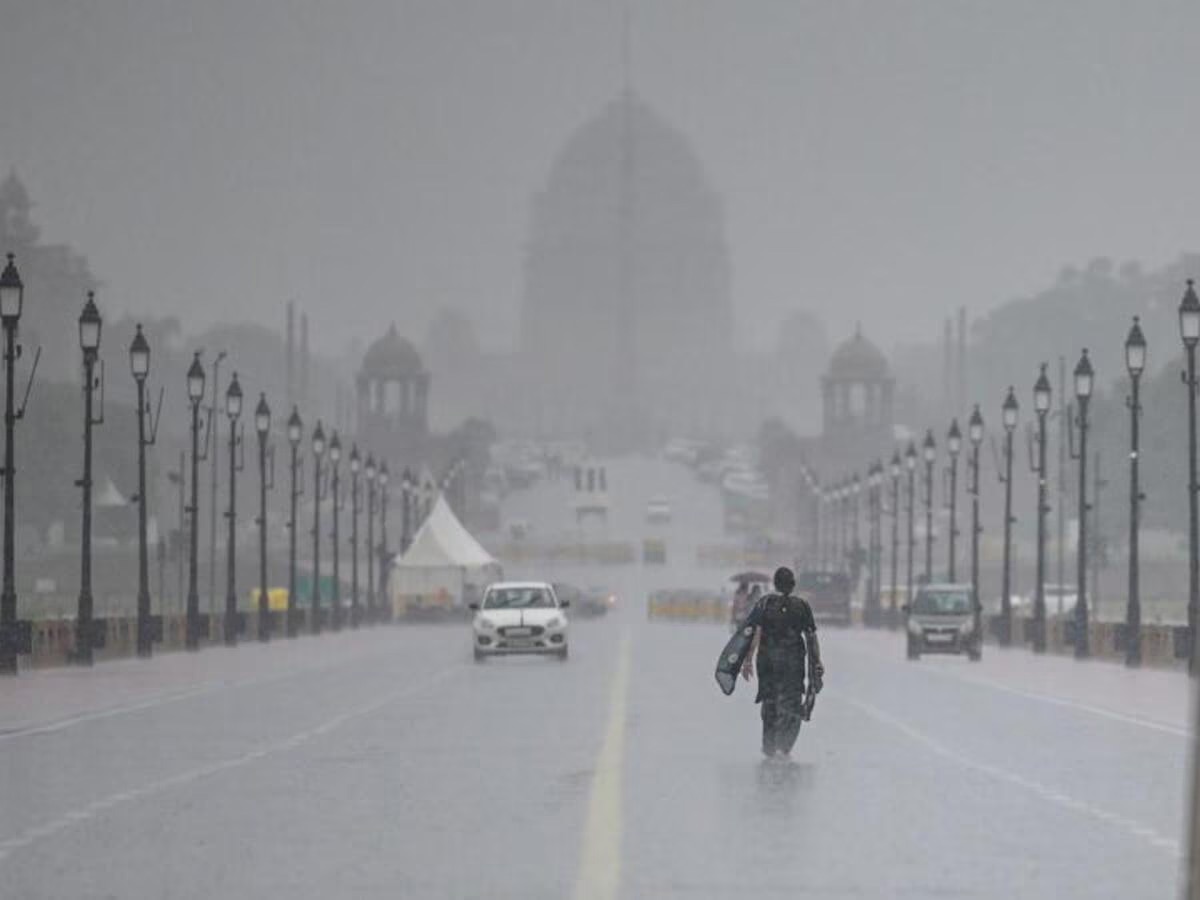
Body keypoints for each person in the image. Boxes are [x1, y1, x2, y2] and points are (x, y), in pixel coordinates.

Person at [740, 566, 824, 759]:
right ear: (792, 585)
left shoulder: (765, 604)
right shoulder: (802, 606)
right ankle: (784, 746)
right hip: (793, 663)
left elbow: (756, 632)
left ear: (775, 584)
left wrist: (748, 660)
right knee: (792, 703)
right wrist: (817, 661)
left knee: (769, 701)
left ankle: (769, 745)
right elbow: (811, 637)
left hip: (767, 661)